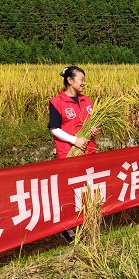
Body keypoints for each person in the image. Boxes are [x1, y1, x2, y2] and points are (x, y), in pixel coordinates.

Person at [48, 66, 101, 243]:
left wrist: (95, 130)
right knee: (69, 191)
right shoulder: (58, 102)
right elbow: (54, 129)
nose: (84, 83)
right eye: (81, 79)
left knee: (87, 188)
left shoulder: (87, 101)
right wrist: (74, 140)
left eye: (84, 79)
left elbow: (92, 124)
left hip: (88, 151)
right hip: (68, 152)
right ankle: (66, 227)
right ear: (70, 81)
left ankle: (87, 222)